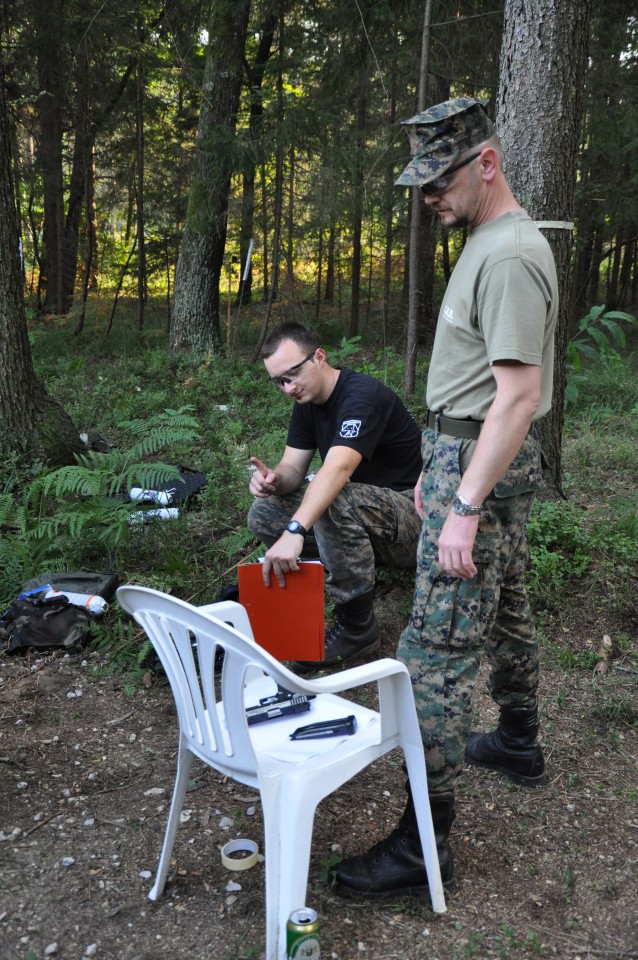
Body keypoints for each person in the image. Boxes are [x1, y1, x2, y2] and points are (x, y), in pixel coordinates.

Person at [334, 97, 558, 899]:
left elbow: (519, 395)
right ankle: (519, 741)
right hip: (463, 453)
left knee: (432, 653)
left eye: (441, 179)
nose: (430, 197)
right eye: (422, 183)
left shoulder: (506, 255)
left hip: (479, 458)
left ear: (487, 164)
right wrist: (441, 473)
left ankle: (420, 843)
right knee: (505, 605)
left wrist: (463, 501)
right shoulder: (488, 241)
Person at [247, 322, 422, 668]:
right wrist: (273, 480)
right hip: (367, 519)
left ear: (320, 357)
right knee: (263, 513)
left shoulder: (361, 396)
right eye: (278, 381)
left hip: (415, 519)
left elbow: (338, 470)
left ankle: (358, 628)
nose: (287, 387)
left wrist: (295, 532)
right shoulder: (307, 402)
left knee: (332, 498)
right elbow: (293, 470)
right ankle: (324, 586)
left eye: (292, 374)